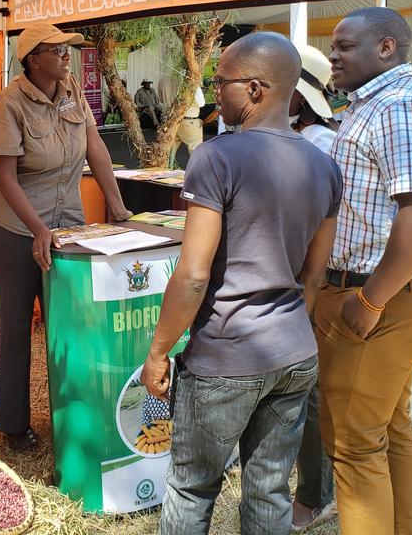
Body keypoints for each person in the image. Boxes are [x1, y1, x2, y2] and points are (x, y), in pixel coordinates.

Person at [142, 32, 342, 535]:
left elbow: (193, 275)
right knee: (270, 488)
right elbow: (314, 275)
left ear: (255, 88)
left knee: (192, 489)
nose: (214, 93)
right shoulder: (325, 165)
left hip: (226, 355)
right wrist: (288, 325)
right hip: (294, 353)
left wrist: (158, 352)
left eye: (220, 82)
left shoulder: (216, 156)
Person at [320, 8, 412, 535]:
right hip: (387, 290)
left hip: (384, 296)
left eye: (344, 46)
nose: (333, 56)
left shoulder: (400, 106)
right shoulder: (372, 103)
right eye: (333, 47)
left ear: (386, 48)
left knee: (353, 443)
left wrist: (370, 300)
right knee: (388, 428)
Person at [0, 24, 131, 450]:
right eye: (56, 50)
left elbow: (96, 148)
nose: (66, 55)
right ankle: (13, 424)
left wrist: (117, 206)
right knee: (18, 321)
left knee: (73, 318)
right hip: (9, 223)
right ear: (33, 59)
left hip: (64, 220)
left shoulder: (72, 90)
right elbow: (5, 177)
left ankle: (78, 415)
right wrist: (38, 229)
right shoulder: (10, 103)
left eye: (68, 49)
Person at [288, 43, 338, 531]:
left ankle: (315, 493)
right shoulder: (295, 136)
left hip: (315, 281)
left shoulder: (319, 144)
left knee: (312, 389)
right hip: (299, 278)